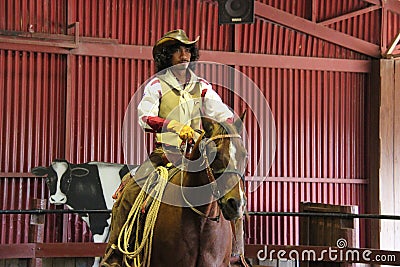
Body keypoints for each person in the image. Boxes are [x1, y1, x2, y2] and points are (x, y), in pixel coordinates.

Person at [101, 29, 247, 267]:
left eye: (187, 50)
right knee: (129, 192)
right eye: (178, 50)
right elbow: (144, 116)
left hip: (199, 156)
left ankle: (236, 255)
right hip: (165, 157)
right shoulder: (157, 85)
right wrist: (174, 126)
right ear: (167, 56)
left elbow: (221, 111)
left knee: (232, 188)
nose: (184, 55)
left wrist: (230, 127)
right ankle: (114, 256)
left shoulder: (202, 87)